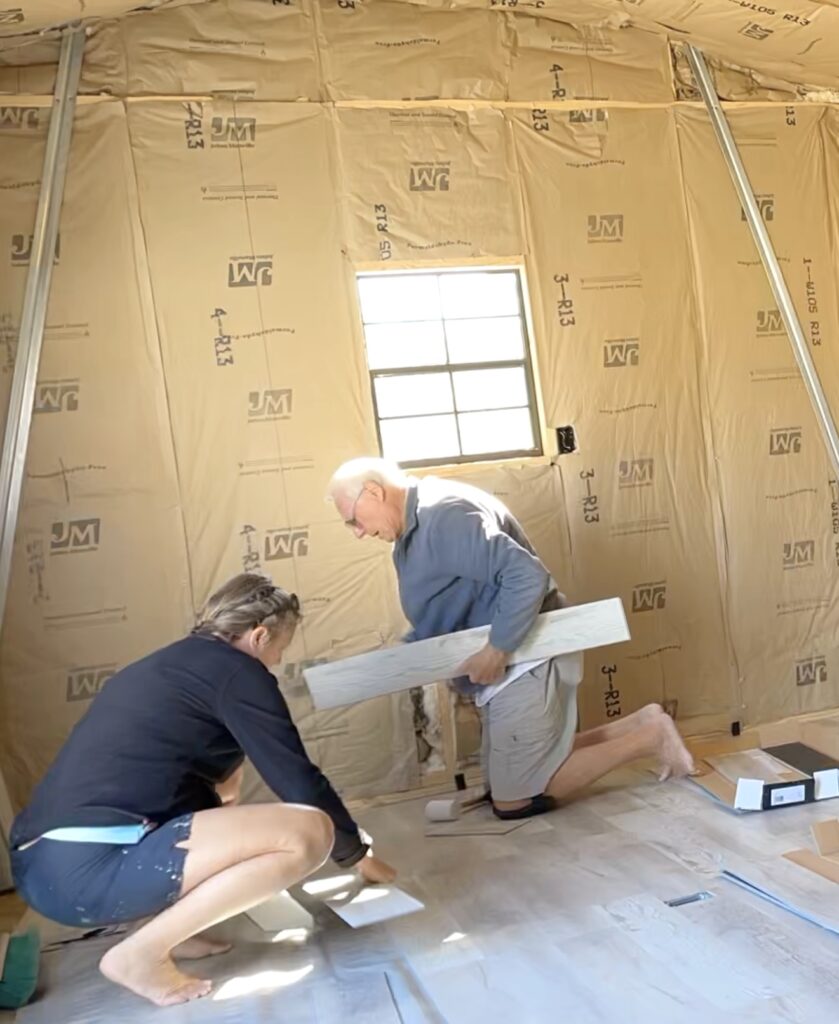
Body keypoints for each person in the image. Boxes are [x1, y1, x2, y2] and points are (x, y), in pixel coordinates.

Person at [9, 573, 395, 1008]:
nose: (276, 661)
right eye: (279, 649)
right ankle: (141, 954)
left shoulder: (172, 665)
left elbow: (209, 791)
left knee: (226, 800)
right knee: (309, 832)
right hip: (84, 871)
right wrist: (355, 853)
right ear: (259, 635)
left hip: (42, 868)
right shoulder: (238, 672)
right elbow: (298, 781)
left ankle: (160, 928)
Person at [327, 458, 694, 819]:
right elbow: (443, 603)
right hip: (504, 659)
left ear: (374, 492)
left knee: (514, 800)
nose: (356, 531)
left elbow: (526, 576)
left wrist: (497, 649)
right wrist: (409, 658)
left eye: (353, 519)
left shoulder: (445, 517)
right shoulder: (411, 529)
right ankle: (640, 724)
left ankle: (650, 740)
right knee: (502, 782)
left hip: (526, 654)